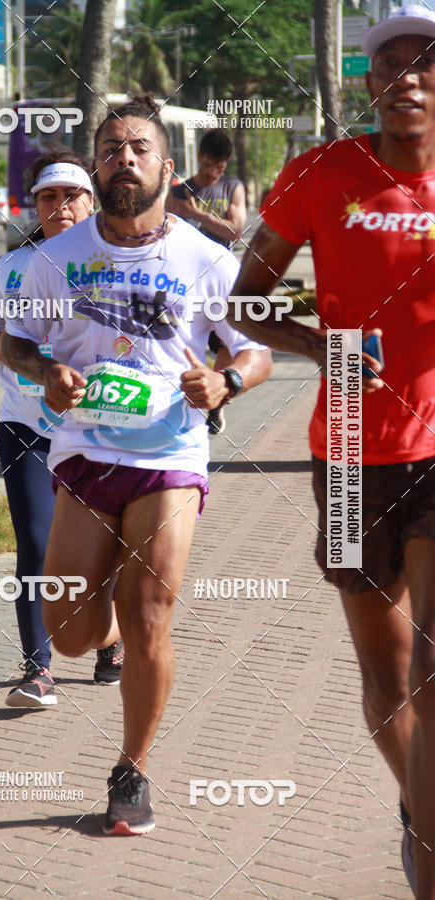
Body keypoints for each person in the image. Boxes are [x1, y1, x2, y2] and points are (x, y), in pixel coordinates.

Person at [2, 95, 272, 834]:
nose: (126, 157)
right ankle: (105, 632)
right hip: (85, 452)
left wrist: (227, 381)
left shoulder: (208, 259)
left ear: (167, 167)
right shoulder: (56, 257)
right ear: (98, 164)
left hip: (171, 453)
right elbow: (8, 342)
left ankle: (132, 772)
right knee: (71, 633)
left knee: (151, 610)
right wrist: (44, 371)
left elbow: (257, 349)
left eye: (140, 148)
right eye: (113, 147)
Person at [226, 7, 435, 895]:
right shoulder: (321, 174)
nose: (409, 79)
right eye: (390, 65)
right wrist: (327, 347)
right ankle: (418, 810)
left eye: (426, 62)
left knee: (430, 671)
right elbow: (247, 300)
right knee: (387, 681)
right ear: (369, 83)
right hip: (347, 451)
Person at [0, 148, 124, 709]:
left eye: (72, 195)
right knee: (35, 546)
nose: (60, 205)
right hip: (27, 427)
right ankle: (38, 669)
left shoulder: (119, 261)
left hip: (102, 431)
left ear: (92, 199)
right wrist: (23, 352)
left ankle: (108, 640)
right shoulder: (13, 268)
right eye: (48, 196)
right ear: (34, 205)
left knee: (104, 552)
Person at [165, 129, 247, 436]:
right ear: (200, 157)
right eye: (210, 165)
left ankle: (215, 401)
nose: (214, 173)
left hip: (222, 282)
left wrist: (196, 213)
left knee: (229, 343)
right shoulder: (178, 191)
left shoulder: (232, 186)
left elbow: (235, 230)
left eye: (221, 167)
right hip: (184, 282)